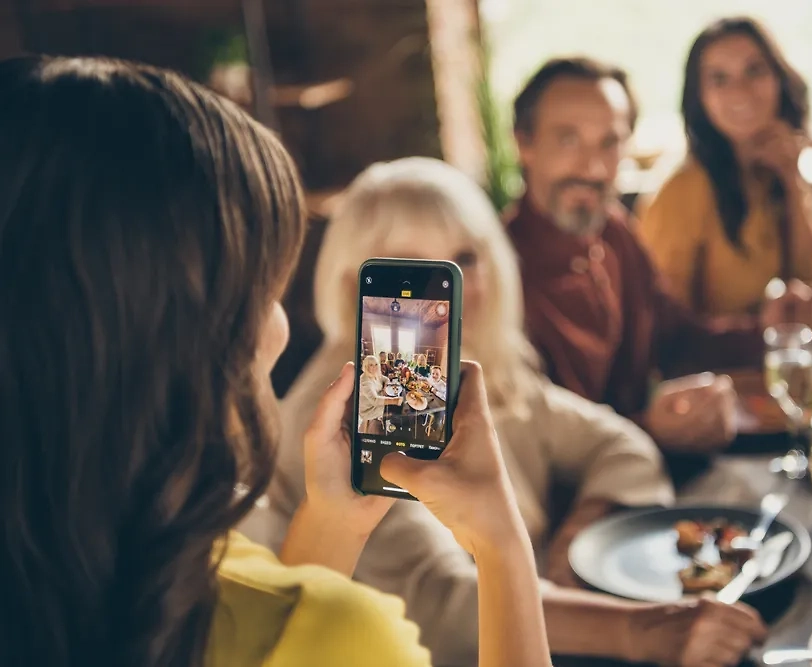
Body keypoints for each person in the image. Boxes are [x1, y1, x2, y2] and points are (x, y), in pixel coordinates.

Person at [0, 56, 552, 667]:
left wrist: (334, 523)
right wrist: (502, 547)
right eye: (263, 291)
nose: (280, 330)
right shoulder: (346, 633)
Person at [243, 157, 766, 667]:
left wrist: (574, 538)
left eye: (464, 259)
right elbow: (443, 602)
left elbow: (620, 445)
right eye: (412, 269)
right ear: (350, 285)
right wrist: (640, 631)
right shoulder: (344, 415)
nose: (448, 296)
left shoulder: (485, 368)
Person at [507, 56, 809, 453]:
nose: (593, 168)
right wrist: (649, 431)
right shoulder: (495, 272)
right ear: (524, 143)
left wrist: (770, 332)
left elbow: (678, 338)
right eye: (568, 140)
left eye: (609, 143)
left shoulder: (614, 232)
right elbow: (527, 440)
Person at [638, 18, 812, 316]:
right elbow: (665, 325)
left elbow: (809, 279)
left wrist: (791, 178)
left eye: (754, 70)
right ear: (699, 97)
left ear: (779, 79)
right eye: (719, 79)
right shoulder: (683, 188)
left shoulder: (770, 173)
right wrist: (757, 328)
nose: (740, 91)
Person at [359, 354, 403, 434]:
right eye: (371, 365)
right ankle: (390, 428)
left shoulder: (375, 374)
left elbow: (386, 379)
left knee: (399, 404)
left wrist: (385, 387)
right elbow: (375, 400)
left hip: (379, 398)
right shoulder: (365, 381)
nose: (374, 367)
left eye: (376, 364)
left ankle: (392, 423)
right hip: (369, 408)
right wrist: (394, 400)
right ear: (366, 367)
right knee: (395, 408)